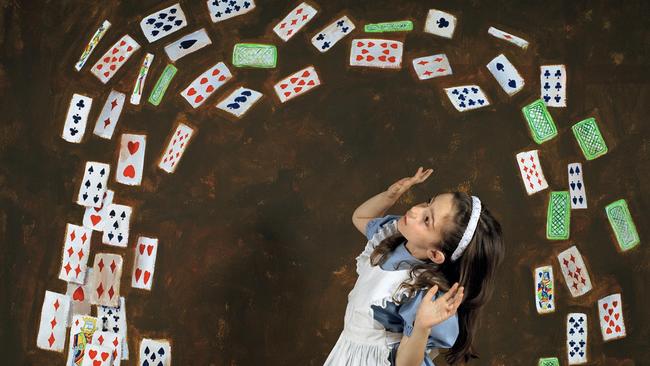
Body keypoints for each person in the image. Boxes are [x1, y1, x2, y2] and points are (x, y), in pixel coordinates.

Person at [324, 167, 505, 365]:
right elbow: (360, 218)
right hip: (350, 351)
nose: (415, 210)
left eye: (427, 219)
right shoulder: (392, 238)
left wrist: (421, 326)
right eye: (428, 202)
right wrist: (390, 196)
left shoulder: (419, 289)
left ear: (435, 254)